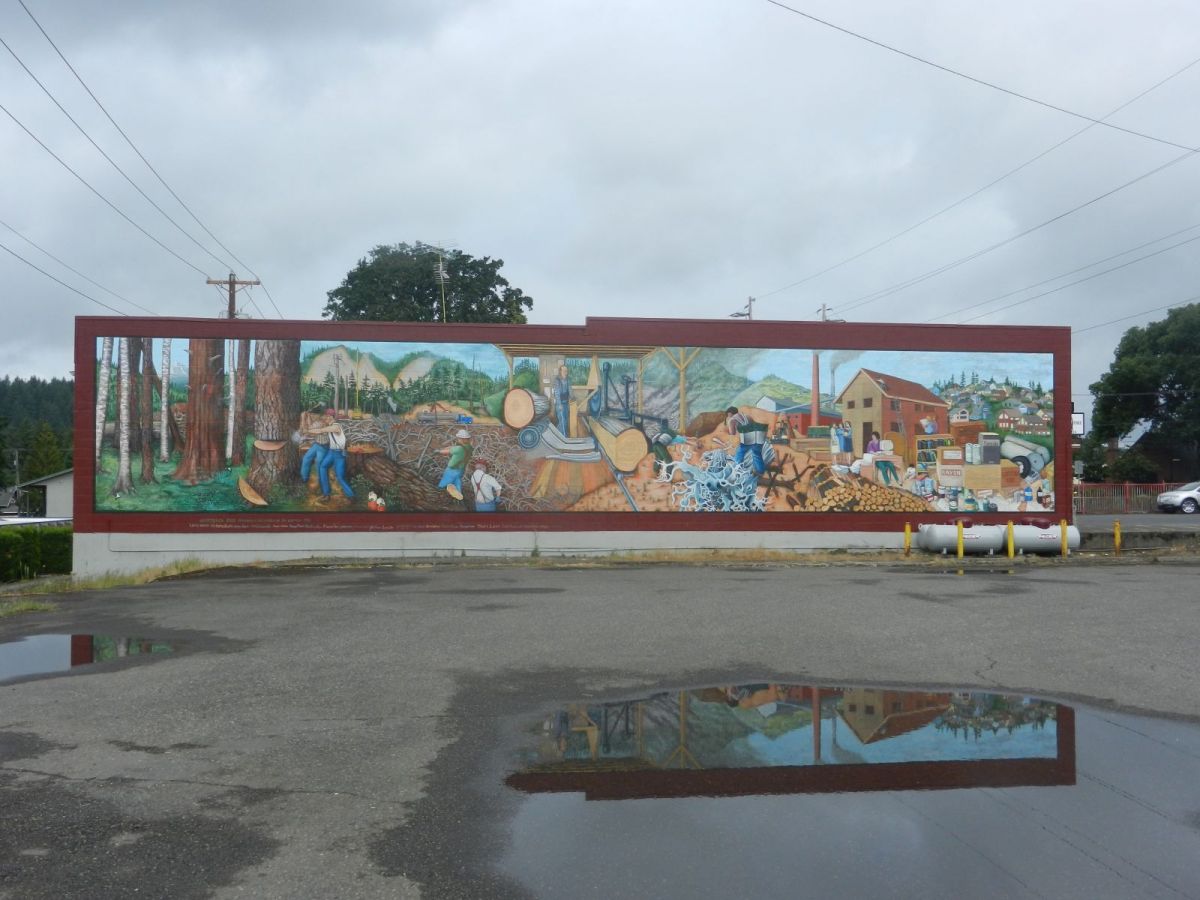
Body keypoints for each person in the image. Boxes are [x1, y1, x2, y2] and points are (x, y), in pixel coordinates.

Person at [308, 415, 354, 502]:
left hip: (339, 454)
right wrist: (310, 431)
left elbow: (321, 430)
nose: (328, 419)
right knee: (322, 467)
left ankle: (351, 496)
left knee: (340, 476)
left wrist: (308, 431)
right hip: (331, 452)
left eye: (330, 417)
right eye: (326, 418)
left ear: (334, 418)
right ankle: (326, 494)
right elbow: (321, 432)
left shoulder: (336, 426)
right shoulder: (330, 427)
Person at [725, 406, 766, 475]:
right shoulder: (747, 416)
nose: (728, 416)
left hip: (747, 439)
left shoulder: (732, 420)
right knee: (756, 454)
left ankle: (736, 469)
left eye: (728, 414)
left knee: (739, 453)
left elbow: (732, 433)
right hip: (758, 437)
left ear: (730, 413)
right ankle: (760, 471)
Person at [437, 428, 473, 500]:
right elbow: (454, 447)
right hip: (461, 470)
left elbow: (446, 452)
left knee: (444, 483)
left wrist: (438, 451)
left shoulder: (459, 449)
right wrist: (448, 447)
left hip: (452, 470)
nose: (458, 439)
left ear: (463, 439)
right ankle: (458, 498)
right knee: (457, 483)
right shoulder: (469, 447)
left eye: (459, 438)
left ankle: (439, 495)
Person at [552, 364, 572, 436]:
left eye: (566, 370)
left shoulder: (568, 379)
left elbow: (570, 390)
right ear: (560, 371)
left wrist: (572, 397)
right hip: (559, 404)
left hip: (566, 403)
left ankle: (561, 434)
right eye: (563, 370)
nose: (565, 372)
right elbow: (557, 393)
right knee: (562, 420)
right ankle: (563, 436)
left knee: (565, 420)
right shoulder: (557, 380)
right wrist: (559, 404)